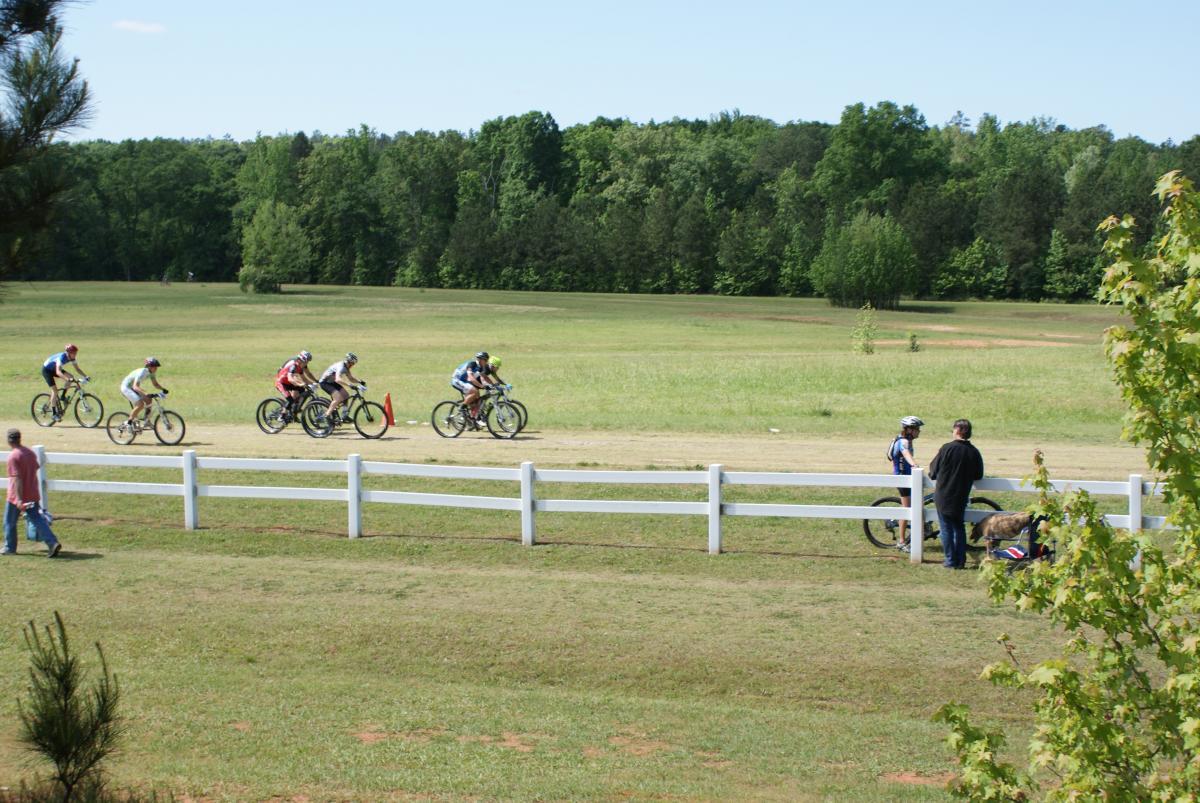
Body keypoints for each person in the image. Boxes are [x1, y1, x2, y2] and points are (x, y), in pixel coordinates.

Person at [928, 418, 985, 569]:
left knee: (946, 528)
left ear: (958, 431)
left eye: (954, 429)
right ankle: (960, 560)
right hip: (961, 496)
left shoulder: (947, 448)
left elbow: (933, 471)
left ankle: (950, 560)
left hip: (943, 494)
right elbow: (979, 475)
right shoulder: (974, 452)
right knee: (959, 528)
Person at [4, 429, 61, 557]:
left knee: (9, 522)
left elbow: (17, 478)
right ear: (20, 439)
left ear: (9, 441)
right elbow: (35, 468)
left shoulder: (13, 456)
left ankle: (10, 547)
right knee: (37, 519)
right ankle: (52, 542)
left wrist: (18, 499)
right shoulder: (29, 453)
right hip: (32, 493)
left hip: (16, 497)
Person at [889, 415, 923, 551]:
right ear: (909, 429)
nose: (919, 431)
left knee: (916, 506)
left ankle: (920, 532)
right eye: (917, 429)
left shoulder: (905, 440)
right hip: (903, 478)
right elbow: (905, 453)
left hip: (908, 477)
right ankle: (902, 541)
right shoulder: (903, 441)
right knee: (907, 509)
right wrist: (914, 464)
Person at [41, 344, 89, 418]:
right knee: (55, 391)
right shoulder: (62, 357)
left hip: (54, 368)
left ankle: (63, 397)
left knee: (71, 377)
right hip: (47, 370)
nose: (75, 355)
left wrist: (85, 376)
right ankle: (54, 414)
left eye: (76, 353)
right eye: (74, 353)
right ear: (69, 353)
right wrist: (67, 379)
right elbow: (58, 372)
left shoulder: (72, 358)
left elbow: (77, 369)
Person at [319, 353, 365, 423]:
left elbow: (351, 378)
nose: (352, 365)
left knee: (346, 396)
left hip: (332, 382)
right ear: (349, 362)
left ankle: (344, 415)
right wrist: (349, 385)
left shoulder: (346, 367)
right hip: (325, 382)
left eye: (353, 364)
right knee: (338, 398)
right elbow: (338, 379)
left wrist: (360, 381)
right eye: (352, 363)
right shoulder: (341, 366)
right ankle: (327, 415)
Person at [120, 358, 168, 424]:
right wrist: (146, 393)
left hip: (133, 388)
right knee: (140, 405)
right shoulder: (142, 372)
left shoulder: (151, 373)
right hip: (126, 388)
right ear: (149, 366)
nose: (156, 368)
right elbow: (135, 386)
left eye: (156, 366)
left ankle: (146, 420)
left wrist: (163, 389)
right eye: (154, 366)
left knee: (149, 400)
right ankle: (129, 423)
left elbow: (155, 384)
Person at [275, 350, 317, 419]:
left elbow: (305, 378)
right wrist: (300, 384)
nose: (307, 363)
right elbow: (290, 379)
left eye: (308, 361)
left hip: (288, 382)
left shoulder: (300, 366)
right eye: (306, 361)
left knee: (302, 391)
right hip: (281, 382)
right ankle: (282, 415)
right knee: (290, 399)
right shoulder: (293, 365)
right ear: (301, 360)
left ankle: (294, 411)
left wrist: (314, 383)